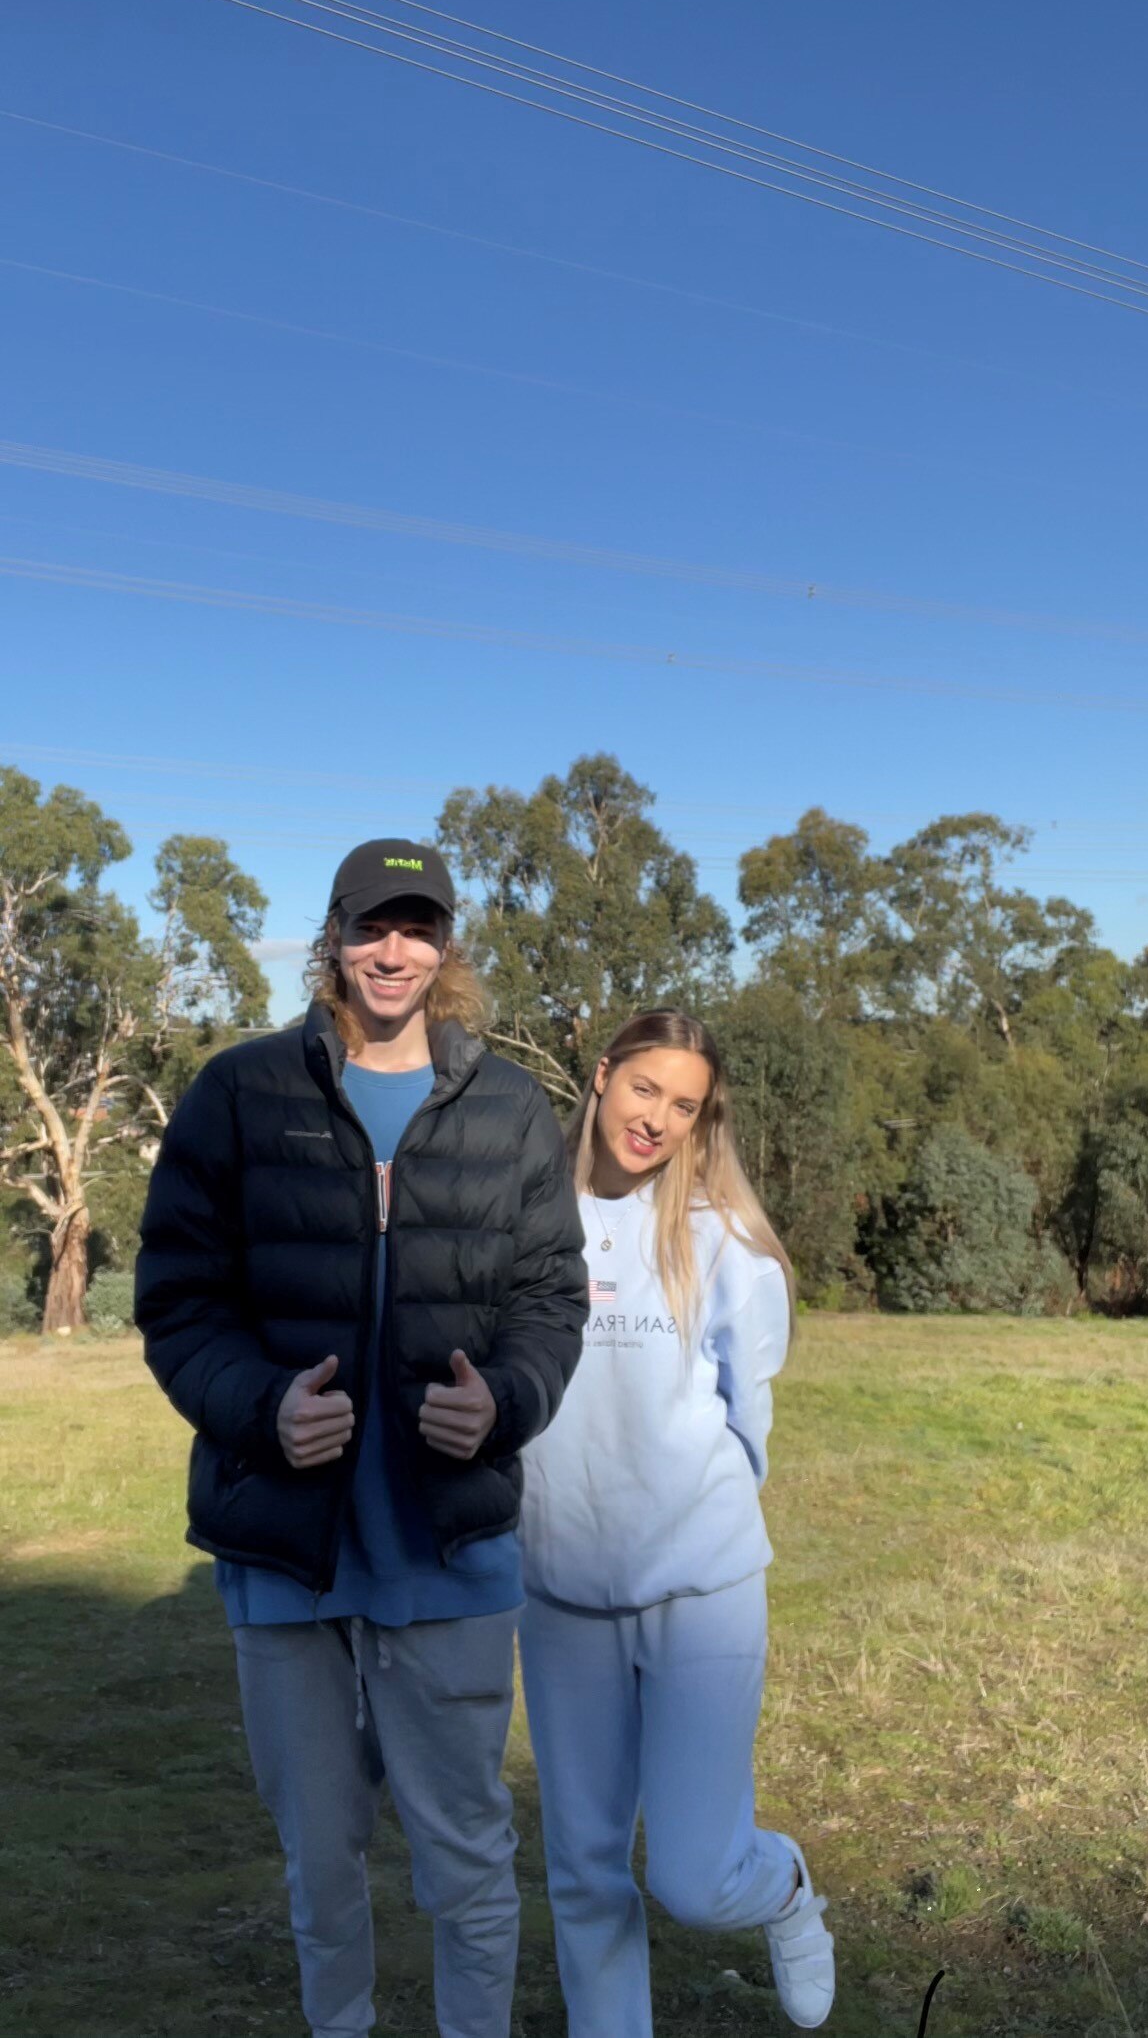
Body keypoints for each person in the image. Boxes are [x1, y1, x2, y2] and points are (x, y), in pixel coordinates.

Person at [135, 838, 588, 2038]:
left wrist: (505, 1398)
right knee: (323, 1873)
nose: (395, 951)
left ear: (447, 947)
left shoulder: (509, 1104)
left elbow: (553, 1302)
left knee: (467, 1867)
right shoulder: (241, 1092)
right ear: (333, 937)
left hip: (450, 1558)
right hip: (288, 1560)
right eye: (373, 926)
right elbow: (180, 1301)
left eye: (419, 927)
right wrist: (261, 1406)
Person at [517, 1008, 835, 2035]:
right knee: (585, 1872)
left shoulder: (721, 1236)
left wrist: (685, 1506)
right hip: (560, 1590)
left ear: (703, 1121)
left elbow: (753, 1408)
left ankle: (782, 1886)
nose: (656, 1117)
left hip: (702, 1587)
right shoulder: (526, 1212)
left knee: (694, 1878)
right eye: (645, 1087)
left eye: (684, 1104)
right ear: (603, 1074)